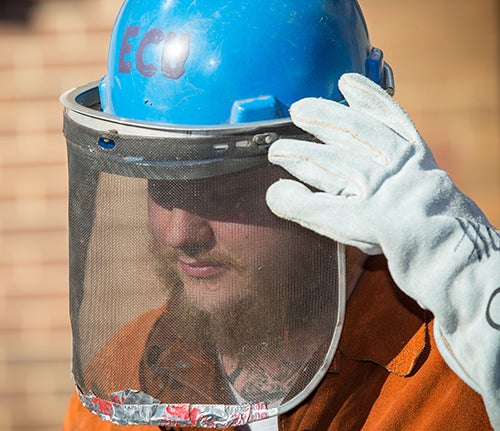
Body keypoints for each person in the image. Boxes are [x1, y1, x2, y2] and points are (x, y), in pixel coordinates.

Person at [60, 0, 499, 429]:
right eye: (160, 186)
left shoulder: (458, 369)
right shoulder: (131, 372)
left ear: (329, 160)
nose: (179, 233)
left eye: (221, 187)